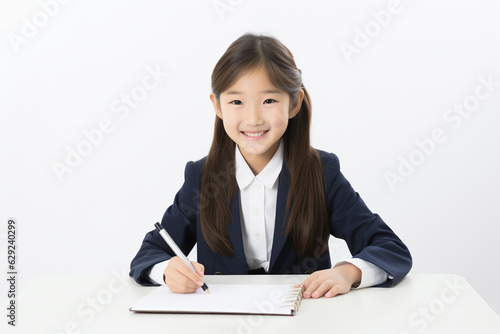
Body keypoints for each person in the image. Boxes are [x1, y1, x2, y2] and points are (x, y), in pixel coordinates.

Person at [129, 33, 412, 299]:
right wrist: (167, 271)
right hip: (222, 320)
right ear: (217, 106)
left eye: (269, 100)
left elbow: (391, 249)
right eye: (237, 101)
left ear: (294, 103)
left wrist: (348, 272)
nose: (253, 119)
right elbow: (149, 254)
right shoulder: (202, 177)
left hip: (304, 319)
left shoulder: (322, 172)